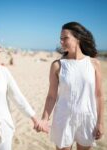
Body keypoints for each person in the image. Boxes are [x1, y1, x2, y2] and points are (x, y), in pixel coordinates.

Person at [35, 22, 104, 150]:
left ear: (78, 38)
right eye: (60, 39)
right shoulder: (57, 65)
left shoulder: (94, 64)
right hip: (63, 118)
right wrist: (44, 118)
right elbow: (51, 96)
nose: (61, 42)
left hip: (87, 119)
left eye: (65, 38)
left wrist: (100, 122)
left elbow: (99, 95)